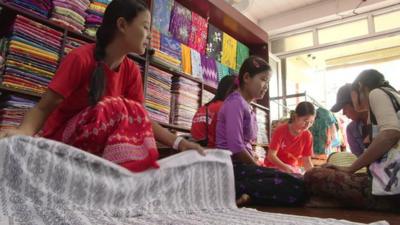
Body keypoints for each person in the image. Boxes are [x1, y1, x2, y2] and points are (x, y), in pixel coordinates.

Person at [0, 0, 203, 173]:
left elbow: (143, 118)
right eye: (145, 27)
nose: (150, 35)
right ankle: (125, 175)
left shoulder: (131, 71)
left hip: (96, 151)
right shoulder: (80, 59)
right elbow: (43, 107)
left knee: (132, 112)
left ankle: (123, 178)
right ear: (122, 25)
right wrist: (24, 132)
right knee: (116, 108)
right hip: (61, 144)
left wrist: (179, 143)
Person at [216, 56, 306, 206]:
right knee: (295, 184)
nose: (266, 86)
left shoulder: (246, 106)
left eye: (268, 82)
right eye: (263, 79)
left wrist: (257, 166)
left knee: (295, 178)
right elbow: (236, 147)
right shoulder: (235, 103)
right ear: (246, 77)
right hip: (231, 169)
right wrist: (257, 167)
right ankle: (234, 191)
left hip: (243, 168)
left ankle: (245, 194)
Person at [305, 69, 400, 211]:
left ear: (360, 87)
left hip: (392, 188)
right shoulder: (393, 97)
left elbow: (390, 134)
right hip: (389, 182)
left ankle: (379, 202)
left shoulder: (377, 93)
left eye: (345, 106)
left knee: (313, 175)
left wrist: (350, 168)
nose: (343, 112)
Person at [264, 101, 315, 174]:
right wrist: (285, 168)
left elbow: (306, 160)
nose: (307, 125)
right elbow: (271, 156)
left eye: (311, 122)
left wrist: (313, 175)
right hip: (273, 167)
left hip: (292, 169)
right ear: (296, 117)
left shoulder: (308, 135)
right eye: (305, 121)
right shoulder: (280, 130)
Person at [191, 75, 237, 147]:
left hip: (196, 153)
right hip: (213, 154)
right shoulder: (225, 108)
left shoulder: (203, 108)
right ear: (233, 91)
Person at [331, 83, 368, 157]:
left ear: (355, 102)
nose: (344, 113)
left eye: (344, 108)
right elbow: (358, 158)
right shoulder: (351, 129)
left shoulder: (382, 121)